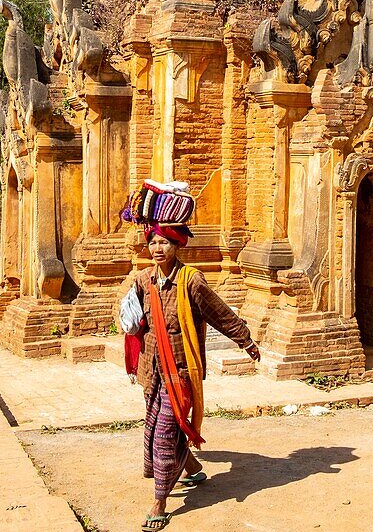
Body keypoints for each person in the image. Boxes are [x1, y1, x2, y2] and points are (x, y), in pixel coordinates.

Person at [132, 222, 260, 531]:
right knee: (160, 428)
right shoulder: (141, 281)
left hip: (181, 372)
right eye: (154, 243)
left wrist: (245, 340)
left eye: (165, 243)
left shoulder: (191, 281)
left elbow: (218, 312)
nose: (158, 249)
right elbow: (131, 317)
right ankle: (190, 465)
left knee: (164, 435)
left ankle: (160, 502)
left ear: (177, 246)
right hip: (152, 370)